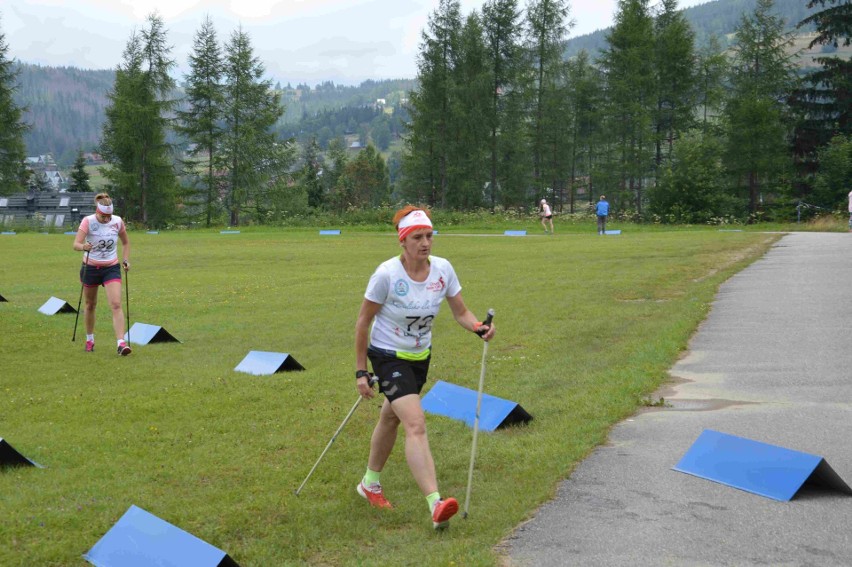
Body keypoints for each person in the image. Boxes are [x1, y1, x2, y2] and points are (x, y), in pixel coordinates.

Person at [354, 205, 495, 530]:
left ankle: (369, 484)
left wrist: (477, 327)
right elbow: (363, 322)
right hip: (388, 356)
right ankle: (436, 504)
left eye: (429, 236)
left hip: (420, 358)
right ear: (402, 241)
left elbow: (460, 312)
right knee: (415, 423)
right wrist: (362, 371)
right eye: (417, 237)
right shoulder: (387, 275)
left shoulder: (443, 270)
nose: (425, 243)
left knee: (391, 417)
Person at [72, 193, 132, 356]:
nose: (106, 219)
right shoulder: (88, 221)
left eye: (108, 216)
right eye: (103, 216)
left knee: (116, 304)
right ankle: (90, 339)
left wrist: (126, 260)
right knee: (90, 305)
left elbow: (126, 242)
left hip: (111, 268)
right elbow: (75, 244)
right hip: (90, 268)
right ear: (97, 211)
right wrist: (84, 246)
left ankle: (121, 343)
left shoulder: (117, 222)